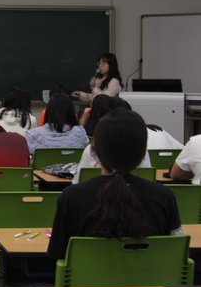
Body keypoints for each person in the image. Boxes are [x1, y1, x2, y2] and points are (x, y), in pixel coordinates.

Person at [47, 109, 182, 261]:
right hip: (152, 283)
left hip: (88, 283)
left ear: (95, 148)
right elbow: (176, 250)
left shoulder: (72, 197)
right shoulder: (164, 196)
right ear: (143, 151)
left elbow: (60, 257)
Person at [72, 98, 154, 184]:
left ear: (101, 122)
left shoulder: (92, 149)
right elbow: (147, 178)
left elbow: (76, 183)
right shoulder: (140, 149)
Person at [24, 94, 89, 156]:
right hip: (73, 167)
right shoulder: (80, 133)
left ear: (49, 111)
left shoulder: (32, 135)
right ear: (71, 111)